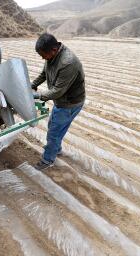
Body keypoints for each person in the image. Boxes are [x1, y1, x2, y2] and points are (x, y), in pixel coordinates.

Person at [31, 33, 85, 170]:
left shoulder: (68, 63)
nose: (43, 58)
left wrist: (36, 96)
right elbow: (44, 74)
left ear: (53, 50)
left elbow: (57, 91)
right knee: (54, 127)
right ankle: (56, 148)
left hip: (69, 103)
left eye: (43, 55)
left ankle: (47, 160)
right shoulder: (51, 56)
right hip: (62, 102)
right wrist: (32, 85)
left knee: (54, 133)